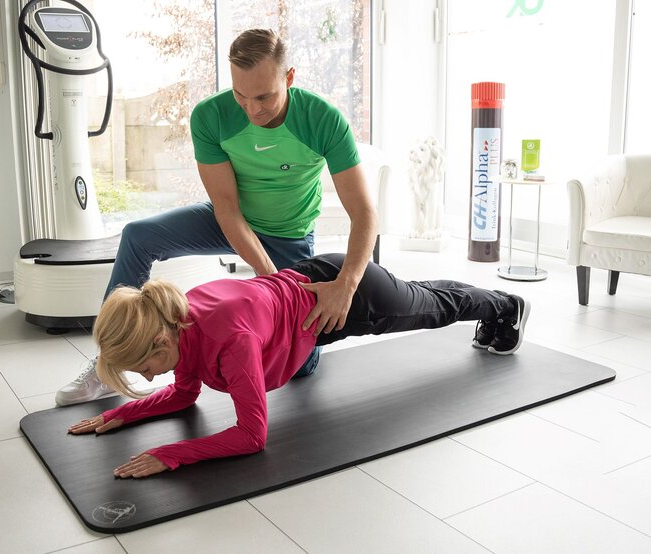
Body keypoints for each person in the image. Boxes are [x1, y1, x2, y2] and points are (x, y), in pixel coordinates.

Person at [55, 29, 377, 406]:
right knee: (139, 235)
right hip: (229, 219)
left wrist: (347, 284)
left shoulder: (323, 120)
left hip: (289, 234)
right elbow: (226, 208)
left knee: (302, 367)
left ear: (288, 77)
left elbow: (364, 212)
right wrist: (273, 285)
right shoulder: (210, 116)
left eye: (264, 96)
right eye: (241, 96)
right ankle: (110, 361)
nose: (253, 109)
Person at [68, 253, 531, 478]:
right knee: (425, 293)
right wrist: (119, 414)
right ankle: (494, 307)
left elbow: (252, 436)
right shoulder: (174, 318)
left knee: (434, 307)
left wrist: (170, 455)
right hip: (306, 281)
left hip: (350, 299)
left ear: (158, 337)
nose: (149, 377)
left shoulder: (229, 339)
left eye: (144, 366)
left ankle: (506, 305)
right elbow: (186, 393)